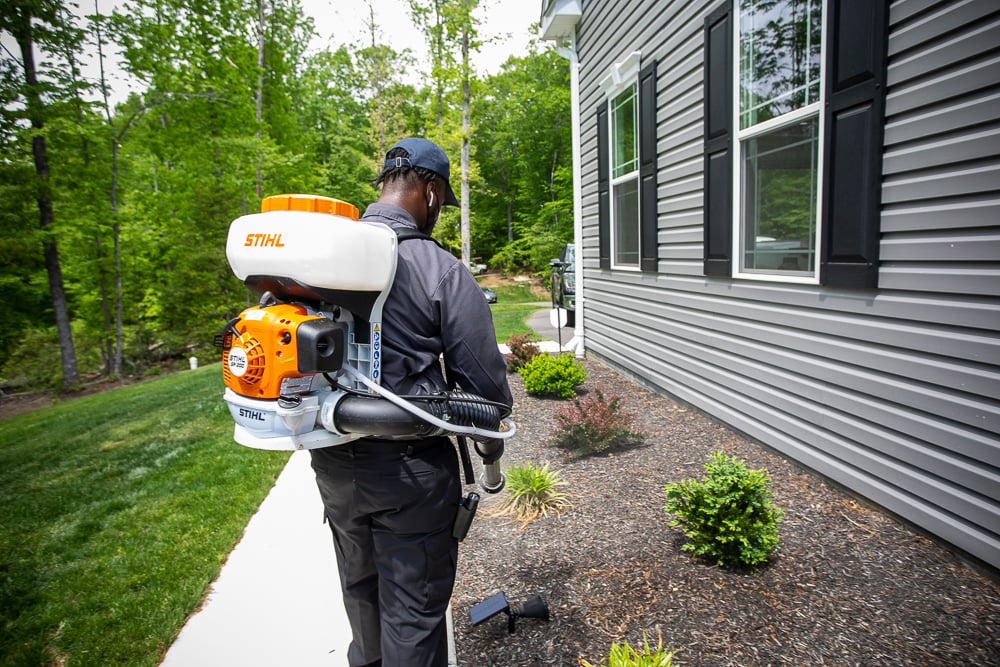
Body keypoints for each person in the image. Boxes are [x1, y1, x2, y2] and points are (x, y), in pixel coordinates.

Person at [310, 137, 513, 667]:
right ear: (430, 190)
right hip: (410, 475)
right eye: (440, 201)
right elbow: (486, 392)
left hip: (333, 461)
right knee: (412, 616)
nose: (438, 211)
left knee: (360, 593)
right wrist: (491, 460)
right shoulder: (439, 269)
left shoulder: (323, 257)